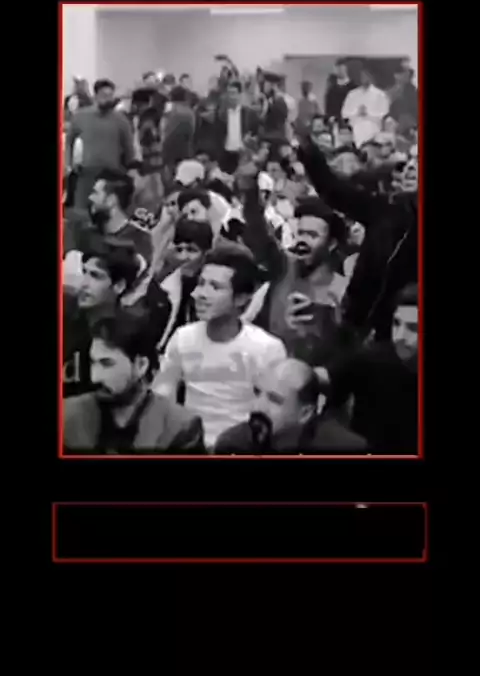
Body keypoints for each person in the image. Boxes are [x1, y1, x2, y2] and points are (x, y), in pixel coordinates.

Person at [153, 243, 287, 450]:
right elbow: (163, 394)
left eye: (215, 287)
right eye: (201, 283)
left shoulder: (266, 348)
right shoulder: (183, 338)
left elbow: (274, 415)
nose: (200, 294)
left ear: (241, 298)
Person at [297, 136, 418, 342]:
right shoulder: (387, 208)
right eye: (409, 161)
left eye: (419, 161)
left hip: (406, 339)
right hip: (357, 332)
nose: (410, 167)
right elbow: (335, 191)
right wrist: (307, 148)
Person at [240, 169, 349, 369]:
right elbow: (257, 232)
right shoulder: (283, 267)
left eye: (312, 235)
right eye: (300, 233)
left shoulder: (342, 291)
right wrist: (249, 187)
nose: (302, 241)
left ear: (332, 244)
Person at [63, 308, 205, 454]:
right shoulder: (66, 415)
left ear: (141, 365)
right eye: (93, 363)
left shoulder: (179, 427)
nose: (94, 377)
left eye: (107, 364)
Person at [328, 284, 419, 453]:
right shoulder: (372, 359)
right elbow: (320, 380)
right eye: (396, 323)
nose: (399, 336)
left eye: (414, 328)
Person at [215, 357, 367, 454]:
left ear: (305, 413)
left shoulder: (344, 450)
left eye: (274, 400)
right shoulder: (233, 445)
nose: (258, 407)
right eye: (258, 393)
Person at [63, 235, 142, 398]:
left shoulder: (129, 335)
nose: (84, 284)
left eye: (95, 276)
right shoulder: (65, 315)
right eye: (84, 272)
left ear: (119, 286)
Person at [66, 79, 135, 211]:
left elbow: (129, 148)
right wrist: (69, 164)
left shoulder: (121, 120)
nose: (107, 99)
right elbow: (69, 141)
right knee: (82, 212)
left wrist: (129, 169)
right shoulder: (81, 116)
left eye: (110, 95)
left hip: (112, 174)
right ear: (96, 95)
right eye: (104, 95)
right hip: (87, 173)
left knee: (108, 212)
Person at [156, 218, 214, 353]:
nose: (184, 256)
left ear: (206, 252)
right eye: (179, 250)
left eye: (191, 250)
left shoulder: (214, 286)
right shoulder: (166, 283)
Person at [87, 169, 153, 269]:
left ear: (111, 200)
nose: (90, 198)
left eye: (96, 193)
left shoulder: (140, 240)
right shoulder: (89, 235)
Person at [217, 80, 259, 174]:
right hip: (225, 155)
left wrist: (251, 140)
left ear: (240, 95)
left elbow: (256, 133)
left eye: (233, 93)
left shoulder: (249, 114)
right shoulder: (221, 114)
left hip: (242, 155)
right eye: (229, 93)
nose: (230, 97)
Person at [341, 68, 390, 148]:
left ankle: (366, 149)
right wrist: (357, 112)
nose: (364, 78)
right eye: (362, 76)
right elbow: (345, 113)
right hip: (356, 123)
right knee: (359, 127)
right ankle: (361, 149)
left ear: (371, 77)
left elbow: (384, 112)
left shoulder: (380, 94)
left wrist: (368, 113)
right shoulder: (352, 94)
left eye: (366, 76)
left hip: (373, 123)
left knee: (368, 127)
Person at [162, 86, 196, 178]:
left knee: (169, 175)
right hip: (185, 148)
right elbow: (192, 131)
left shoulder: (168, 109)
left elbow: (164, 128)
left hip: (168, 148)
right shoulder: (189, 112)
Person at [260, 72, 289, 141]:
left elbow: (277, 121)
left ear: (272, 86)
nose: (264, 87)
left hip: (274, 137)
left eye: (265, 84)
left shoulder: (279, 101)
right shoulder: (266, 99)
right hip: (268, 136)